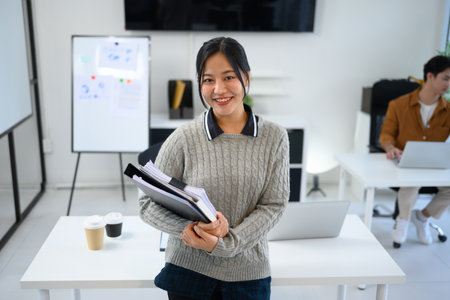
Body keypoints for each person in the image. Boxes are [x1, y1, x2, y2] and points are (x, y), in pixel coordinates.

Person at [139, 37, 290, 300]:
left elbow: (274, 205)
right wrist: (189, 230)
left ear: (246, 77)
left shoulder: (275, 137)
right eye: (208, 80)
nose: (219, 89)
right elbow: (147, 204)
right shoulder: (183, 137)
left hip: (247, 273)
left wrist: (227, 242)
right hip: (188, 270)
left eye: (229, 77)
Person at [379, 55, 450, 245]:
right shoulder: (399, 105)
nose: (448, 84)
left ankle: (423, 217)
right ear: (430, 76)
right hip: (406, 162)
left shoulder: (448, 110)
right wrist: (390, 147)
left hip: (435, 165)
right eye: (446, 78)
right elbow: (386, 134)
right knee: (411, 183)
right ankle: (404, 220)